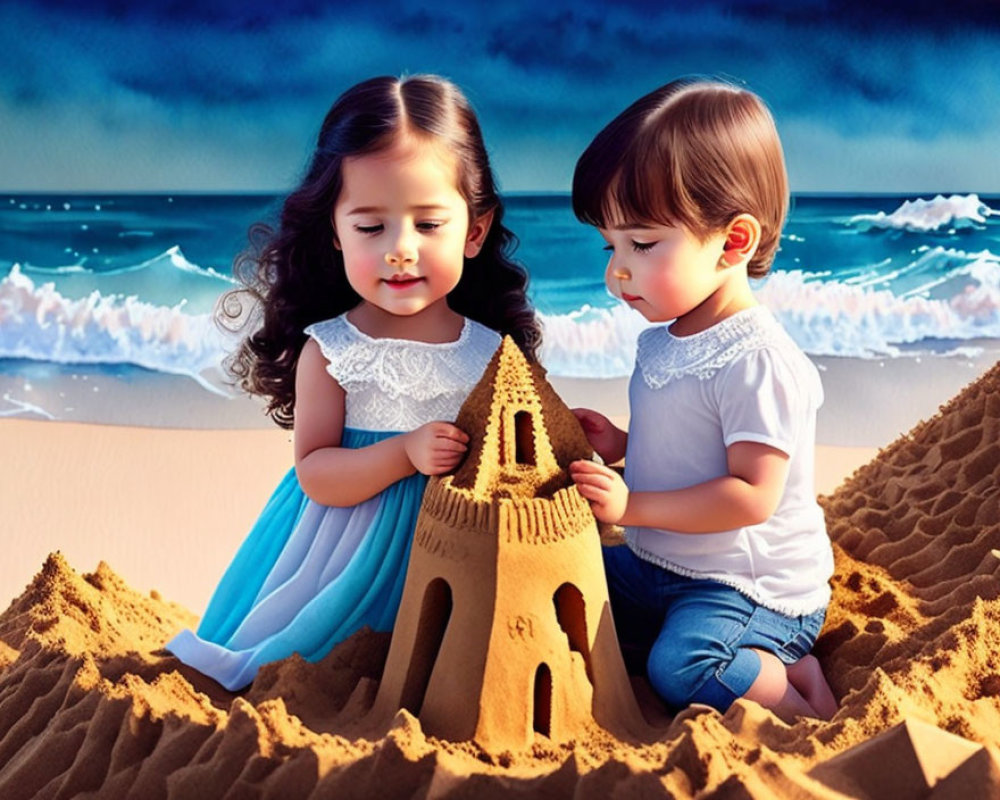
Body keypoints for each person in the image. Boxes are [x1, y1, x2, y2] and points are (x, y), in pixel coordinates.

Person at [167, 75, 540, 691]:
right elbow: (315, 470)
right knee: (296, 659)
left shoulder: (491, 353)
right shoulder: (334, 350)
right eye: (371, 228)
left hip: (455, 552)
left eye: (428, 224)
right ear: (335, 231)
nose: (400, 250)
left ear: (474, 230)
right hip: (343, 562)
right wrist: (404, 453)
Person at [567, 78, 837, 723]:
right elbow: (692, 448)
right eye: (611, 246)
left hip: (749, 586)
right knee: (565, 577)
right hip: (664, 560)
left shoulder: (759, 362)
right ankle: (757, 657)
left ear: (734, 242)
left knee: (681, 668)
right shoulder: (664, 339)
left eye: (642, 244)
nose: (617, 272)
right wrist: (624, 446)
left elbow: (750, 494)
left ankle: (796, 685)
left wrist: (632, 503)